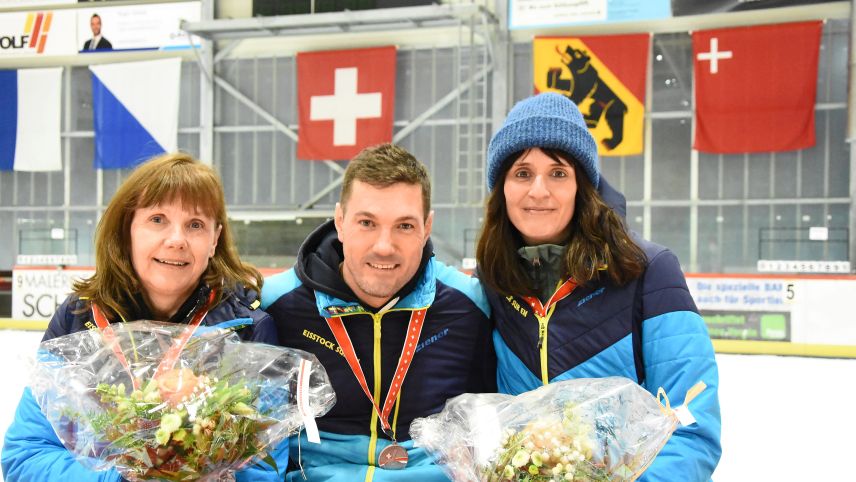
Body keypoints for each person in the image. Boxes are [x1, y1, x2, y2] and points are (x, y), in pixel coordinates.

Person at [476, 93, 721, 480]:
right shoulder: (492, 281)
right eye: (522, 173)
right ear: (502, 188)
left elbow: (692, 428)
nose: (538, 190)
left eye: (558, 173)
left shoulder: (650, 272)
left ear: (582, 186)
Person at [2, 153, 283, 481]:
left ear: (214, 240)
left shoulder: (249, 330)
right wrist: (120, 479)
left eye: (195, 225)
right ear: (128, 230)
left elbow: (265, 469)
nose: (176, 240)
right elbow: (26, 454)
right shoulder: (78, 317)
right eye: (158, 219)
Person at [262, 143, 495, 481]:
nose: (384, 246)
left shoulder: (469, 305)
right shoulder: (274, 304)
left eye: (405, 226)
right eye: (367, 222)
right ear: (340, 222)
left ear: (427, 227)